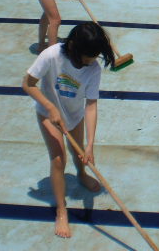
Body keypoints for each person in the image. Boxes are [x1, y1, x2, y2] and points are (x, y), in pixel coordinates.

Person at [22, 22, 115, 239]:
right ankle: (61, 210)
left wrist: (90, 144)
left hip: (74, 115)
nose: (89, 63)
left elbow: (91, 105)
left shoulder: (93, 69)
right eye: (86, 58)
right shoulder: (51, 55)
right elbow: (28, 84)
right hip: (48, 114)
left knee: (79, 151)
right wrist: (50, 107)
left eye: (93, 58)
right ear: (73, 46)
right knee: (58, 159)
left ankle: (81, 174)